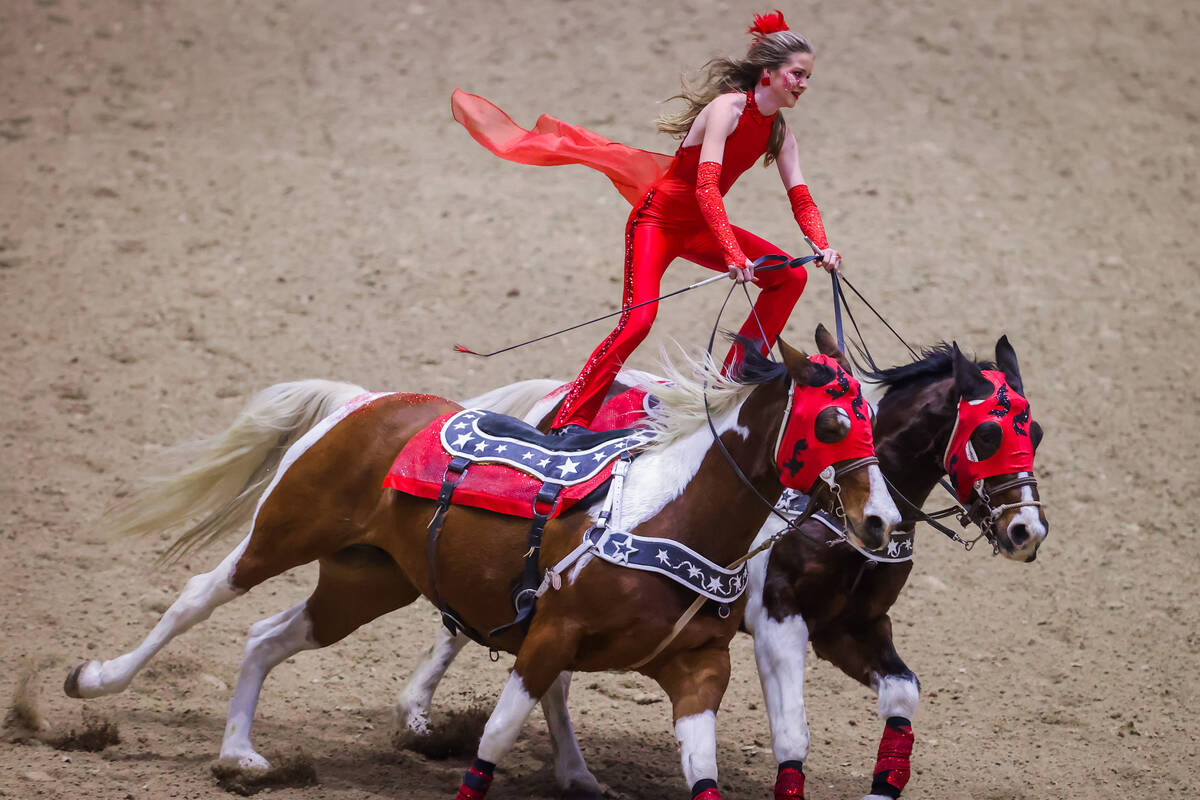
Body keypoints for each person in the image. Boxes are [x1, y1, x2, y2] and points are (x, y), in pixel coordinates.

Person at [452, 9, 841, 433]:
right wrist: (732, 252)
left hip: (700, 229)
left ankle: (729, 382)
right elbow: (705, 186)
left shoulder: (779, 133)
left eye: (808, 78)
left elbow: (800, 197)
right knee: (636, 321)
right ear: (768, 72)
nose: (803, 86)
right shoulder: (727, 109)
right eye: (797, 75)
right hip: (657, 222)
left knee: (790, 277)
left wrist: (821, 245)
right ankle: (568, 421)